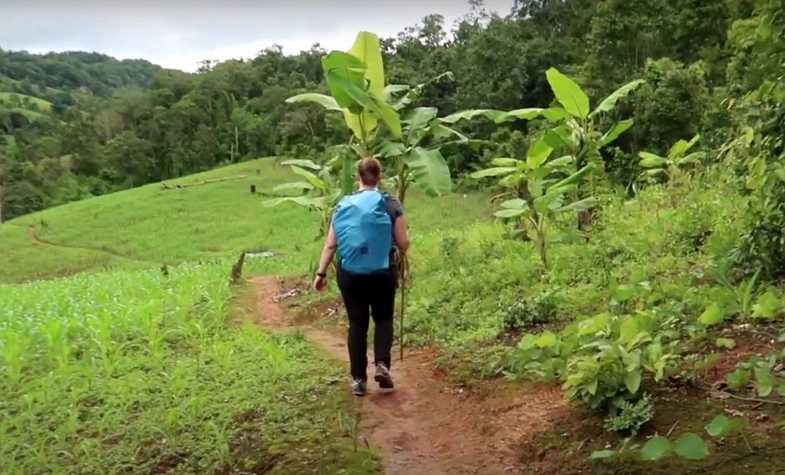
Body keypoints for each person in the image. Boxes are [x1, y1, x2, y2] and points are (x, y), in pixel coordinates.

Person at [313, 157, 410, 396]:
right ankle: (382, 365)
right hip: (382, 273)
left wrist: (320, 273)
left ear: (358, 177)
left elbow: (330, 245)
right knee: (383, 319)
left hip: (351, 275)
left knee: (357, 324)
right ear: (379, 177)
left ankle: (358, 380)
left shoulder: (343, 205)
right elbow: (403, 243)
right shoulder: (391, 203)